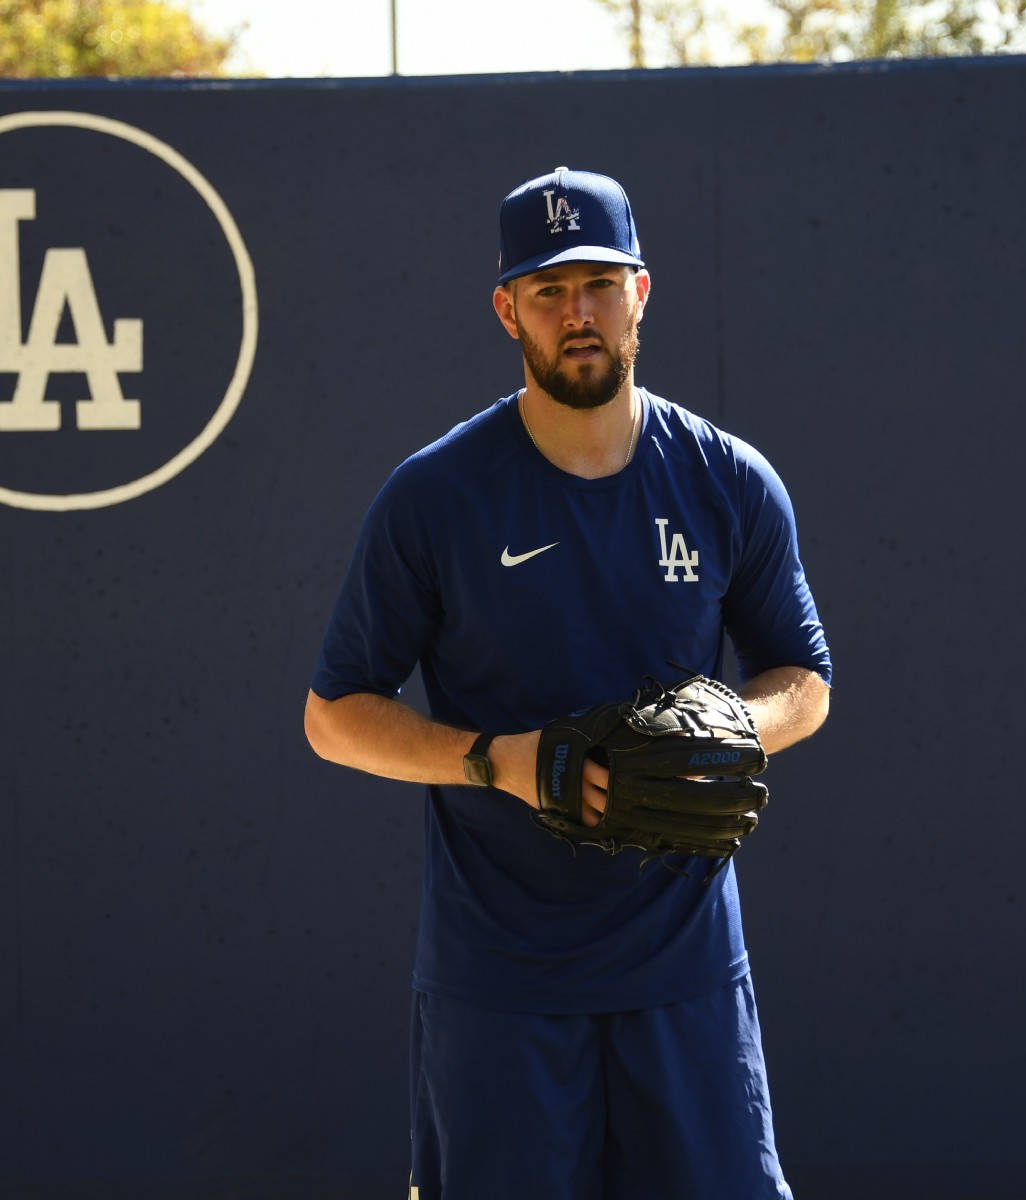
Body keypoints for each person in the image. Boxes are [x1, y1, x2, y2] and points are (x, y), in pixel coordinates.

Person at [304, 166, 832, 1200]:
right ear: (508, 310)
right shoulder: (437, 496)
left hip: (684, 974)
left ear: (642, 291)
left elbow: (804, 679)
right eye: (548, 291)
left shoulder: (727, 480)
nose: (576, 312)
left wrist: (730, 729)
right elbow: (334, 716)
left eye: (598, 282)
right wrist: (492, 760)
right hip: (498, 980)